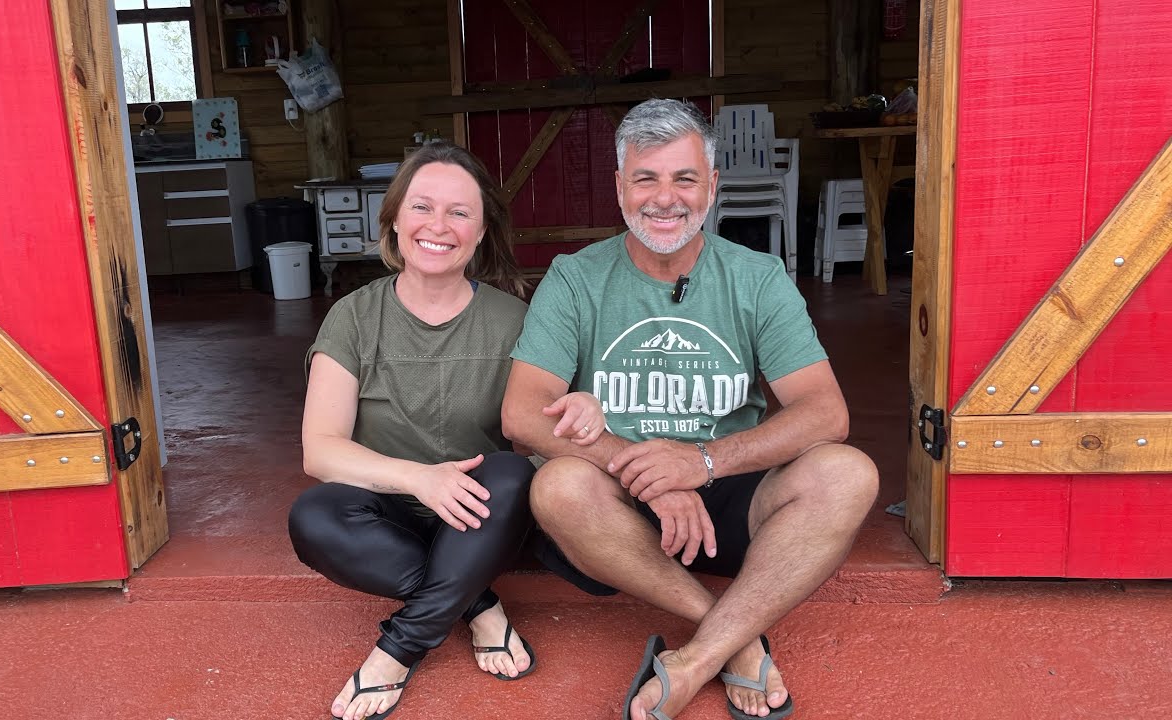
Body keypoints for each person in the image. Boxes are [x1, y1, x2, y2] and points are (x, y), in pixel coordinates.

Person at [501, 99, 879, 720]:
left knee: (848, 472)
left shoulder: (756, 276)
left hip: (731, 495)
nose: (665, 198)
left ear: (713, 185)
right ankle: (733, 637)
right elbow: (521, 414)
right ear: (619, 186)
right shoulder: (574, 277)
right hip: (621, 511)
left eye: (684, 178)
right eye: (646, 178)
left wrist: (702, 461)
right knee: (559, 486)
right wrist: (649, 475)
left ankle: (696, 659)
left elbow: (824, 413)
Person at [288, 142, 605, 720]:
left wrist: (584, 401)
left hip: (485, 514)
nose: (439, 226)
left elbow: (553, 419)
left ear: (482, 232)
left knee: (512, 470)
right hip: (389, 504)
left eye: (459, 212)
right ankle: (477, 603)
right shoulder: (353, 317)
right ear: (394, 221)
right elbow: (320, 448)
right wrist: (421, 480)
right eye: (421, 207)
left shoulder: (516, 319)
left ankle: (399, 649)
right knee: (313, 516)